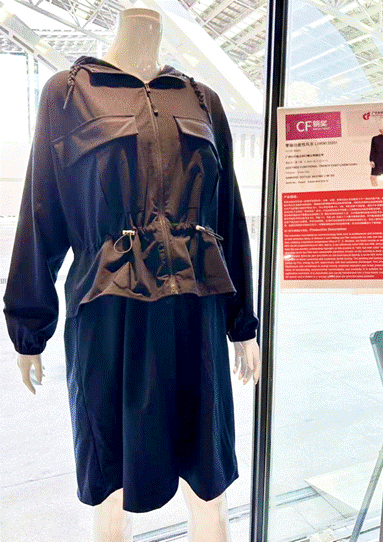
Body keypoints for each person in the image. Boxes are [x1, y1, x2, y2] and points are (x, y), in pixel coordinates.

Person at [3, 8, 261, 542]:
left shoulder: (202, 101)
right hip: (108, 317)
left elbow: (228, 218)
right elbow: (41, 212)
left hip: (195, 316)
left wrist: (243, 324)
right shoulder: (67, 95)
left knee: (208, 479)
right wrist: (29, 326)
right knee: (110, 479)